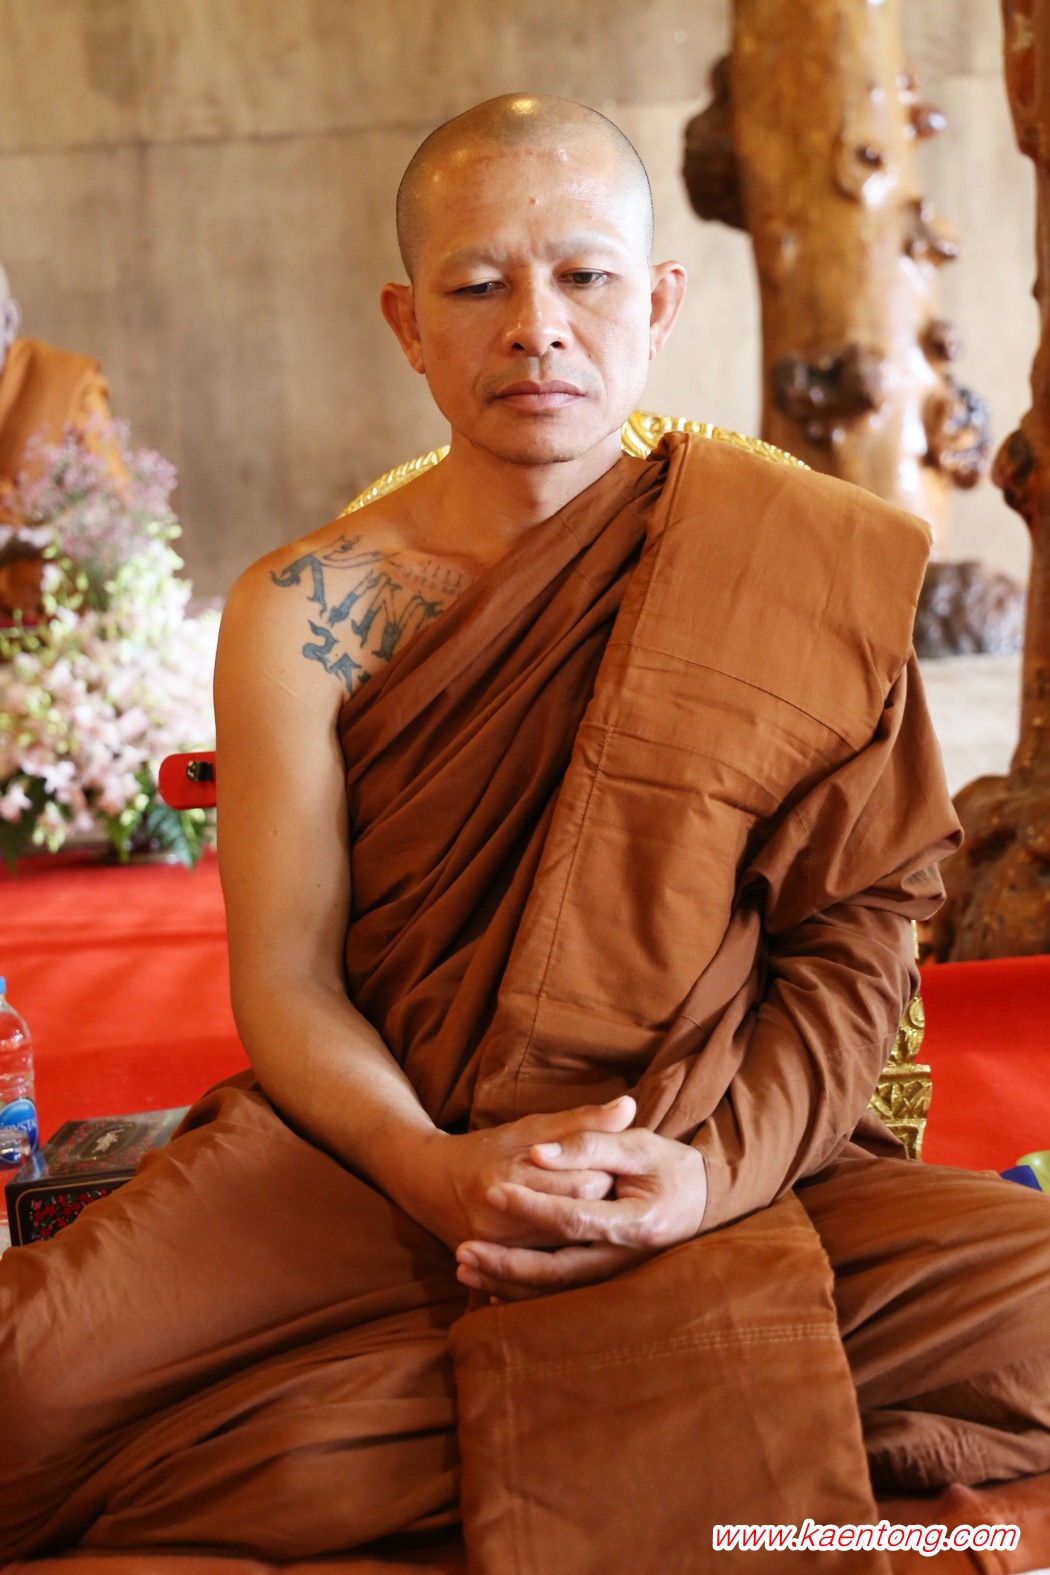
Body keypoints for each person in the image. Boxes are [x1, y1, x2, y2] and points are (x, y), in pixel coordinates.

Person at [1, 95, 1049, 1572]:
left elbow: (851, 944)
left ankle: (321, 1448)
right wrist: (437, 1170)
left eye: (585, 276)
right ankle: (627, 1418)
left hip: (706, 1155)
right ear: (407, 324)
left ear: (658, 303)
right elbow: (288, 980)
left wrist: (704, 1178)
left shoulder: (797, 562)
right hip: (368, 1162)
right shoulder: (299, 612)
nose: (536, 326)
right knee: (25, 1397)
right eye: (478, 284)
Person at [0, 262, 116, 621]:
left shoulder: (64, 383)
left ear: (8, 320)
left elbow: (112, 502)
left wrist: (33, 537)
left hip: (40, 603)